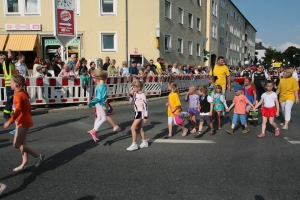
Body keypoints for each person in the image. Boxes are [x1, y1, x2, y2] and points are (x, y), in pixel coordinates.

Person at [3, 75, 44, 171]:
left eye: (11, 83)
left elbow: (17, 111)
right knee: (22, 143)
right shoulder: (22, 92)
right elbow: (28, 108)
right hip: (25, 120)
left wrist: (9, 121)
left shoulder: (18, 95)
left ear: (16, 84)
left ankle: (38, 156)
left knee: (16, 144)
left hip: (23, 121)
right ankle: (25, 163)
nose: (9, 84)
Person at [87, 69, 109, 142]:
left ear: (97, 77)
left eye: (93, 77)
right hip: (100, 103)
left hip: (97, 102)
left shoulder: (98, 85)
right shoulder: (103, 86)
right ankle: (94, 130)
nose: (93, 79)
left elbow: (98, 95)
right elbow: (102, 97)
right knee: (104, 118)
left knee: (99, 117)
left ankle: (94, 131)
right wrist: (103, 105)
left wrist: (92, 101)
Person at [127, 80, 149, 151]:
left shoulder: (142, 95)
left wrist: (145, 117)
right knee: (140, 128)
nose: (133, 88)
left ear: (139, 88)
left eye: (134, 87)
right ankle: (144, 142)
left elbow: (145, 106)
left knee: (132, 128)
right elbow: (130, 102)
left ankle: (134, 144)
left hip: (140, 113)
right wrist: (131, 94)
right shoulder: (135, 93)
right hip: (136, 113)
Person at [2, 49, 18, 119]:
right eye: (12, 55)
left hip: (13, 85)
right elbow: (8, 58)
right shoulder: (6, 63)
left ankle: (10, 112)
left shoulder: (11, 64)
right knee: (10, 100)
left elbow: (13, 74)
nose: (13, 56)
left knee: (13, 99)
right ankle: (6, 114)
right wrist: (9, 52)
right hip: (9, 85)